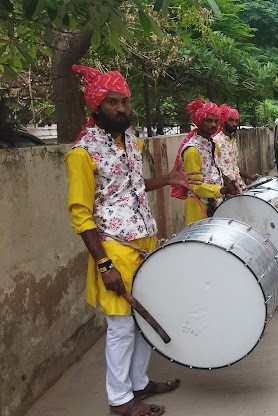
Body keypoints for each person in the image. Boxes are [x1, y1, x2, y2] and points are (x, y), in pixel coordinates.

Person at [66, 65, 186, 416]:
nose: (121, 109)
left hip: (145, 241)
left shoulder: (130, 142)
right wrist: (104, 264)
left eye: (124, 102)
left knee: (144, 319)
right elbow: (80, 214)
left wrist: (164, 179)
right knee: (121, 325)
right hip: (114, 248)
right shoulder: (82, 153)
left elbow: (129, 186)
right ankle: (119, 399)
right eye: (112, 102)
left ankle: (139, 383)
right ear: (96, 106)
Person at [172, 99, 239, 225]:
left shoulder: (212, 145)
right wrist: (222, 190)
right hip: (199, 208)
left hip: (216, 204)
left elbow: (214, 170)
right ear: (199, 121)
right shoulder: (192, 151)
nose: (213, 125)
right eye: (209, 120)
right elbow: (195, 186)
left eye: (216, 121)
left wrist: (227, 181)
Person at [213, 104, 260, 192]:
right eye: (231, 120)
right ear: (223, 121)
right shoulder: (216, 142)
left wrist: (250, 177)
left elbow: (233, 167)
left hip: (238, 185)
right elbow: (215, 169)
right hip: (225, 189)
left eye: (236, 121)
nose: (234, 124)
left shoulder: (233, 141)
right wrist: (227, 186)